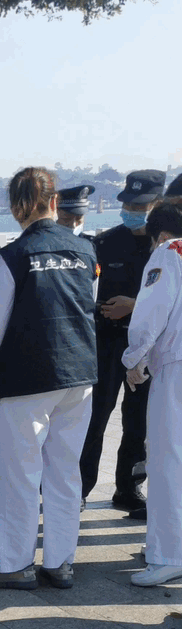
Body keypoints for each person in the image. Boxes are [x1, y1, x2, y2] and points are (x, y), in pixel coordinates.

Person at [0, 167, 97, 590]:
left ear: (15, 209)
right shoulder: (85, 251)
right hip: (79, 375)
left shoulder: (12, 257)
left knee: (20, 475)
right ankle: (60, 563)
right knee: (65, 472)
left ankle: (17, 565)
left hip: (28, 378)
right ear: (54, 202)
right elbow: (86, 306)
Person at [79, 170, 165, 519]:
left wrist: (134, 305)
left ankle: (129, 487)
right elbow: (87, 292)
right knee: (94, 418)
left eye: (140, 206)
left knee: (138, 422)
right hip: (107, 342)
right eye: (128, 205)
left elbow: (168, 301)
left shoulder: (168, 248)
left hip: (148, 346)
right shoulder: (105, 242)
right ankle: (79, 488)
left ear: (157, 205)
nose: (133, 211)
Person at [122, 203, 182, 586]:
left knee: (166, 461)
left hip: (176, 367)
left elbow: (151, 312)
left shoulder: (169, 251)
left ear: (159, 233)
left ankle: (168, 555)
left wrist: (133, 358)